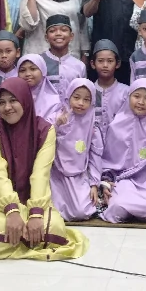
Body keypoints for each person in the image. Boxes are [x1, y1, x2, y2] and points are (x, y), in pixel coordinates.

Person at [0, 77, 90, 260]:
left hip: (34, 196)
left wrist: (36, 213)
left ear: (25, 100)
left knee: (55, 229)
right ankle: (24, 237)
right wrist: (12, 210)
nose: (7, 107)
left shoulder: (45, 131)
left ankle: (9, 239)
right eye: (1, 102)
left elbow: (40, 174)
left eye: (13, 100)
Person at [99, 79, 146, 224]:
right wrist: (107, 181)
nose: (141, 102)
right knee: (117, 207)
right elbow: (108, 161)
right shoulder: (117, 125)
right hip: (125, 179)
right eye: (136, 96)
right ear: (129, 97)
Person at [50, 78, 104, 221]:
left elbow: (95, 156)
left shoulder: (93, 125)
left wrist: (94, 184)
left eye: (86, 100)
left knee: (82, 211)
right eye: (76, 97)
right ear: (68, 97)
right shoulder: (58, 117)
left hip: (80, 174)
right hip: (56, 174)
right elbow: (43, 141)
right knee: (53, 211)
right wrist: (57, 125)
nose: (81, 103)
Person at [37, 14, 87, 96]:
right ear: (46, 37)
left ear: (71, 36)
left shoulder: (79, 66)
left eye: (63, 30)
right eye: (52, 31)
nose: (58, 34)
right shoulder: (38, 62)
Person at [90, 39, 128, 130]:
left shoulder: (126, 92)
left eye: (110, 61)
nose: (105, 65)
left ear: (117, 64)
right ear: (93, 64)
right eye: (100, 61)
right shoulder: (89, 92)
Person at [17, 53, 63, 122]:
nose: (27, 74)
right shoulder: (14, 97)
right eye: (22, 70)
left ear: (43, 71)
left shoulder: (53, 101)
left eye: (33, 69)